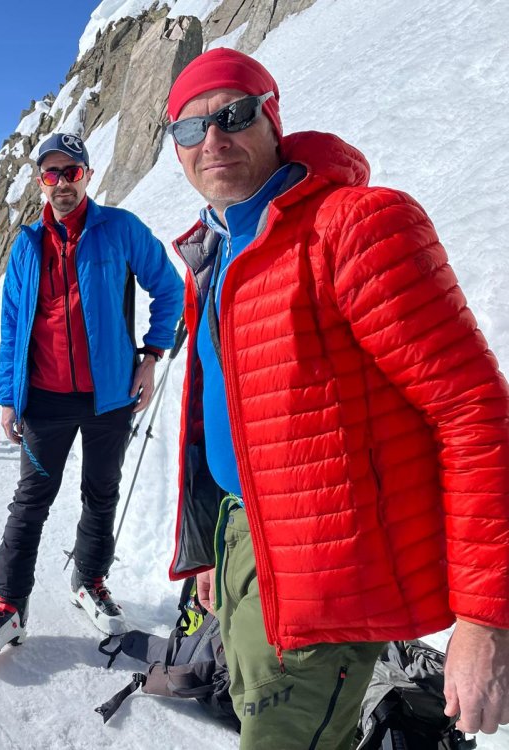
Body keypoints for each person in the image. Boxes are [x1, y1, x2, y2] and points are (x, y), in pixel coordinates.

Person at [163, 48, 509, 748]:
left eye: (234, 115)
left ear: (273, 119)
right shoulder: (218, 250)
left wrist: (487, 619)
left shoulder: (354, 227)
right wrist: (215, 550)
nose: (213, 139)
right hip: (245, 544)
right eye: (191, 128)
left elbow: (474, 412)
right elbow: (229, 420)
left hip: (328, 581)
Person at [0, 133, 184, 657]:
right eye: (51, 174)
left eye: (71, 172)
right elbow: (13, 323)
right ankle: (9, 605)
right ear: (41, 182)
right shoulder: (27, 245)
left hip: (111, 396)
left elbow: (169, 287)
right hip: (44, 398)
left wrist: (152, 354)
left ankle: (89, 580)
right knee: (31, 501)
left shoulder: (120, 229)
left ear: (87, 175)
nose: (61, 183)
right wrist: (9, 397)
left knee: (101, 492)